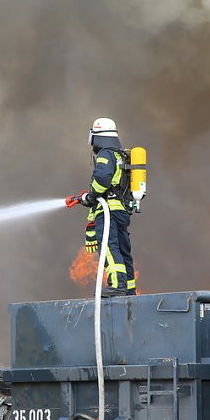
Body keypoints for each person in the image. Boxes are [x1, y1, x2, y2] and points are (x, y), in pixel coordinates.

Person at [75, 117, 136, 297]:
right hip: (121, 209)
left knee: (109, 246)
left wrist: (92, 196)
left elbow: (102, 178)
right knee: (124, 250)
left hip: (107, 209)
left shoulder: (105, 154)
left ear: (97, 135)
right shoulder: (119, 154)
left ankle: (117, 286)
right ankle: (129, 288)